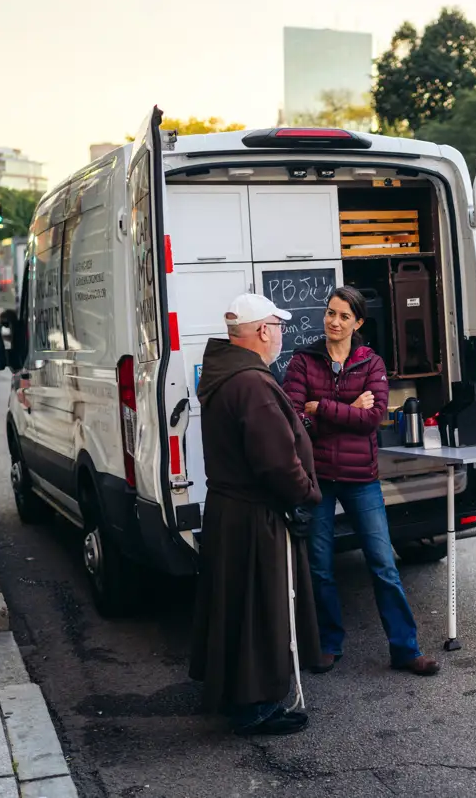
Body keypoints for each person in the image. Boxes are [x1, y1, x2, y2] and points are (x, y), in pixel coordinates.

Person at [281, 286, 440, 677]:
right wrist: (344, 410)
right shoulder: (304, 361)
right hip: (316, 478)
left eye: (343, 316)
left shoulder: (371, 363)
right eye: (330, 313)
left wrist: (323, 409)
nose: (334, 322)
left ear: (358, 323)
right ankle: (328, 644)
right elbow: (293, 418)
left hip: (360, 478)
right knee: (319, 567)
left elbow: (372, 419)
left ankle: (405, 649)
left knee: (384, 564)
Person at [189, 293, 322, 736]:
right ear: (263, 331)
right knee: (262, 610)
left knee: (238, 607)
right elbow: (276, 461)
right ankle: (256, 706)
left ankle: (241, 698)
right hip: (256, 515)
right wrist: (304, 497)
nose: (281, 334)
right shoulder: (252, 383)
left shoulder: (230, 375)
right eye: (278, 326)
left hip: (232, 510)